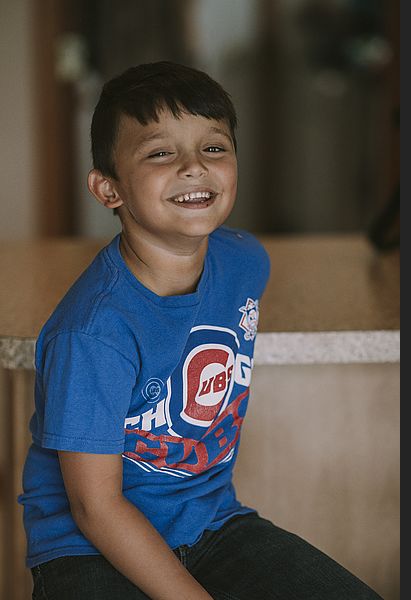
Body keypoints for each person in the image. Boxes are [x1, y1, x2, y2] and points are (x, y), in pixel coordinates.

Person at [19, 61, 382, 600]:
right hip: (87, 546)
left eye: (214, 148)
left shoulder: (244, 264)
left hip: (211, 525)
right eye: (160, 152)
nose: (194, 167)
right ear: (108, 189)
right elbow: (95, 507)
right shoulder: (94, 332)